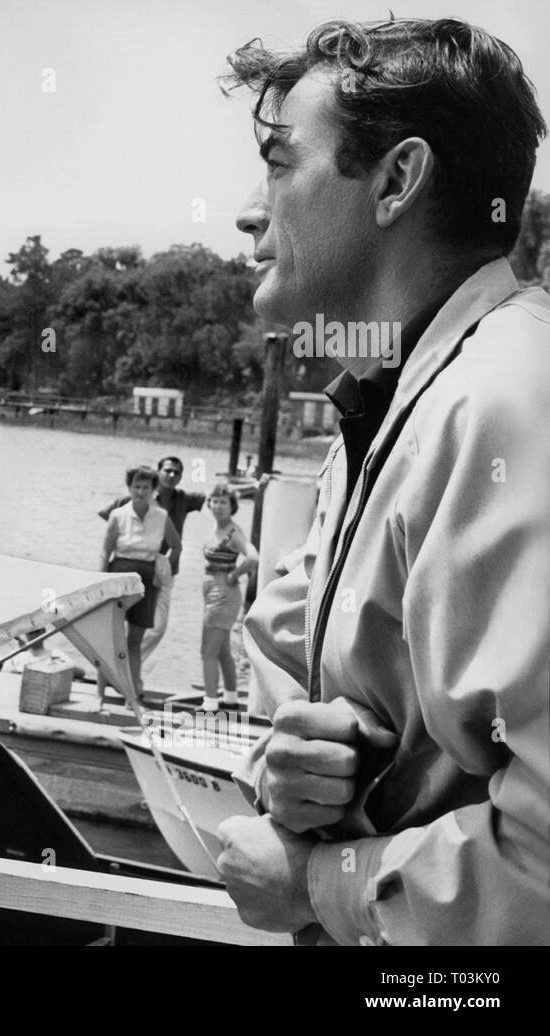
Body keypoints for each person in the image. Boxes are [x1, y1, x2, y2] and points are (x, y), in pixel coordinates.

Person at [214, 17, 550, 945]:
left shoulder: (503, 407)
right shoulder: (394, 398)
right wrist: (289, 765)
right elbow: (292, 656)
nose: (249, 210)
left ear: (397, 182)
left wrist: (324, 882)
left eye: (280, 164)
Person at [98, 456, 205, 659]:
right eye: (167, 470)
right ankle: (123, 669)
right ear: (158, 472)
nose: (172, 475)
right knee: (116, 625)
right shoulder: (134, 497)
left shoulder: (183, 498)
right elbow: (105, 513)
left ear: (181, 477)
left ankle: (128, 664)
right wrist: (130, 535)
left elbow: (214, 499)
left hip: (162, 572)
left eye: (177, 472)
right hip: (128, 567)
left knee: (156, 627)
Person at [99, 465, 182, 695]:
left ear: (154, 489)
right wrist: (100, 582)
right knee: (110, 638)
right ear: (129, 487)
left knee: (134, 641)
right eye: (136, 486)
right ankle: (100, 695)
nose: (140, 491)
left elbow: (176, 546)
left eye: (146, 487)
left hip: (147, 579)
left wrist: (162, 569)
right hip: (119, 574)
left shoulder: (162, 516)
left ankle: (131, 696)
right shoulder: (118, 515)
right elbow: (105, 552)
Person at [199, 483, 258, 713]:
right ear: (209, 504)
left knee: (207, 651)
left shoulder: (233, 532)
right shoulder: (215, 529)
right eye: (215, 501)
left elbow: (253, 557)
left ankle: (210, 705)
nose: (219, 506)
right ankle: (231, 698)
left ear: (232, 506)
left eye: (224, 502)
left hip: (222, 592)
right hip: (212, 590)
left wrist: (234, 575)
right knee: (222, 648)